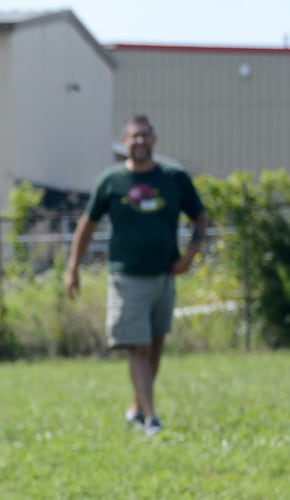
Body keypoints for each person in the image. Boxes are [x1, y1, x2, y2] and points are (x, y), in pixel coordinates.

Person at [64, 114, 208, 435]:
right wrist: (73, 268)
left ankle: (136, 406)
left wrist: (189, 256)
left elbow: (200, 217)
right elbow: (87, 225)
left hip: (164, 275)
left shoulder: (173, 177)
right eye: (133, 136)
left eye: (145, 135)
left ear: (154, 140)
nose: (139, 141)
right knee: (138, 347)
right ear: (124, 141)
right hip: (127, 277)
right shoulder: (111, 181)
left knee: (155, 347)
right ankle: (151, 418)